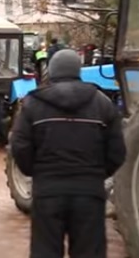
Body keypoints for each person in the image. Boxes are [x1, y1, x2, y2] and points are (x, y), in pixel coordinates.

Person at [10, 49, 126, 258]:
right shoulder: (102, 103)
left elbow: (19, 146)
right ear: (78, 70)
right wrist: (97, 174)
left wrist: (36, 172)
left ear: (51, 71)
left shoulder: (33, 104)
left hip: (48, 192)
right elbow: (117, 151)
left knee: (45, 250)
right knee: (89, 252)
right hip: (89, 193)